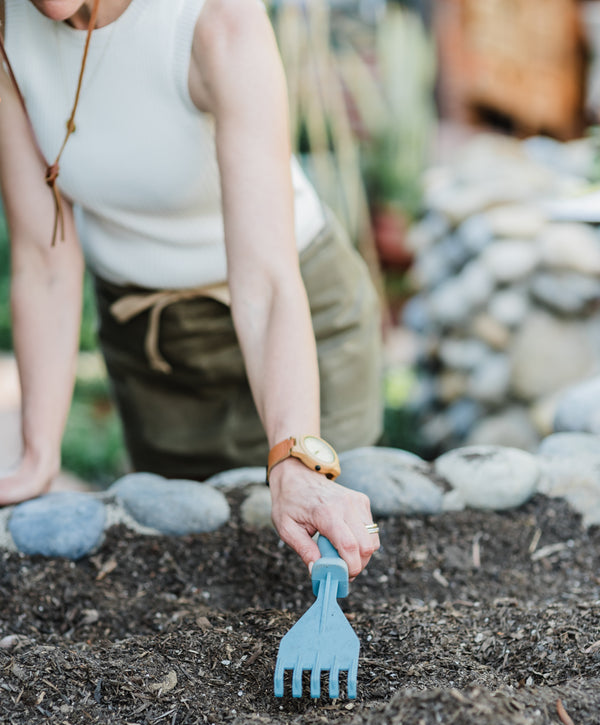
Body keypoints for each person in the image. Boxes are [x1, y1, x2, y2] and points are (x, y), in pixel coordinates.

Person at [0, 0, 383, 577]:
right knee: (194, 578)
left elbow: (269, 284)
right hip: (154, 345)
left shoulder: (215, 19)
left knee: (324, 562)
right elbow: (43, 257)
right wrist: (37, 455)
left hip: (297, 331)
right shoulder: (6, 27)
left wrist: (296, 458)